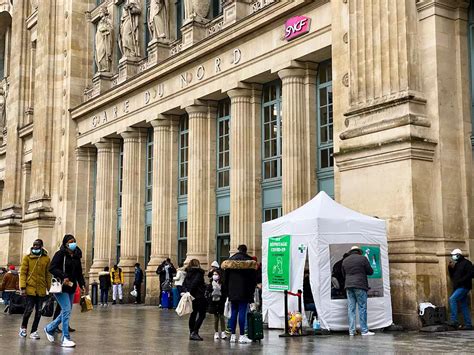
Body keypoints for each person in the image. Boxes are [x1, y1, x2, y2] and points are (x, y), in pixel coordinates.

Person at [44, 234, 86, 348]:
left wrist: (82, 284)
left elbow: (79, 273)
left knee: (65, 312)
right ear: (65, 243)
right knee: (66, 310)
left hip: (72, 287)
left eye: (74, 241)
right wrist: (63, 275)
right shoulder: (60, 254)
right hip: (61, 287)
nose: (73, 243)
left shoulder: (77, 255)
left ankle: (49, 328)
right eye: (70, 241)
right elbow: (52, 268)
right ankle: (65, 338)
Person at [222, 244, 257, 344]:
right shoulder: (250, 262)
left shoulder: (230, 261)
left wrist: (227, 292)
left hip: (232, 292)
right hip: (244, 291)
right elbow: (252, 281)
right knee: (242, 313)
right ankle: (242, 335)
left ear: (238, 250)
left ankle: (233, 335)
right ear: (246, 251)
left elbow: (225, 280)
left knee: (233, 313)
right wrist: (251, 294)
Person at [18, 239, 51, 339]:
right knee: (28, 310)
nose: (35, 247)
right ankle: (23, 328)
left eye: (38, 245)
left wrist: (49, 289)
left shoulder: (46, 258)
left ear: (42, 246)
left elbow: (48, 275)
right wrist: (22, 287)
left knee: (39, 311)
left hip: (41, 289)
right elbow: (23, 273)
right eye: (34, 245)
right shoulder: (27, 258)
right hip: (30, 288)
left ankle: (34, 331)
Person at [341, 245, 374, 336]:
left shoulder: (345, 260)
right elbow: (370, 272)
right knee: (362, 307)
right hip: (360, 285)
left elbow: (343, 274)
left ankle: (352, 331)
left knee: (351, 309)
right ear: (359, 251)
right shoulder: (363, 259)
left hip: (348, 285)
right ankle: (364, 330)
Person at [448, 248, 473, 330]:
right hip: (459, 286)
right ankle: (468, 324)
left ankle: (454, 320)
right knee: (464, 305)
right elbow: (454, 276)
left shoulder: (467, 263)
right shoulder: (457, 264)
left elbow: (471, 274)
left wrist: (461, 280)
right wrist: (450, 269)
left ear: (459, 255)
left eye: (454, 255)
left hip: (464, 286)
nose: (453, 257)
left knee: (452, 299)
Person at [183, 259, 207, 341]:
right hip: (199, 296)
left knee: (193, 314)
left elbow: (184, 284)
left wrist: (188, 292)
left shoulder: (188, 273)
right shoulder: (199, 273)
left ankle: (191, 332)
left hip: (191, 297)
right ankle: (195, 332)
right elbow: (195, 283)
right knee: (202, 315)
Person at [207, 269, 227, 340]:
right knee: (216, 318)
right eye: (214, 274)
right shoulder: (210, 284)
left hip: (221, 303)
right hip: (213, 303)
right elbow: (208, 293)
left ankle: (223, 332)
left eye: (216, 274)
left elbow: (225, 293)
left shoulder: (223, 284)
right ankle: (216, 332)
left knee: (222, 317)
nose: (214, 276)